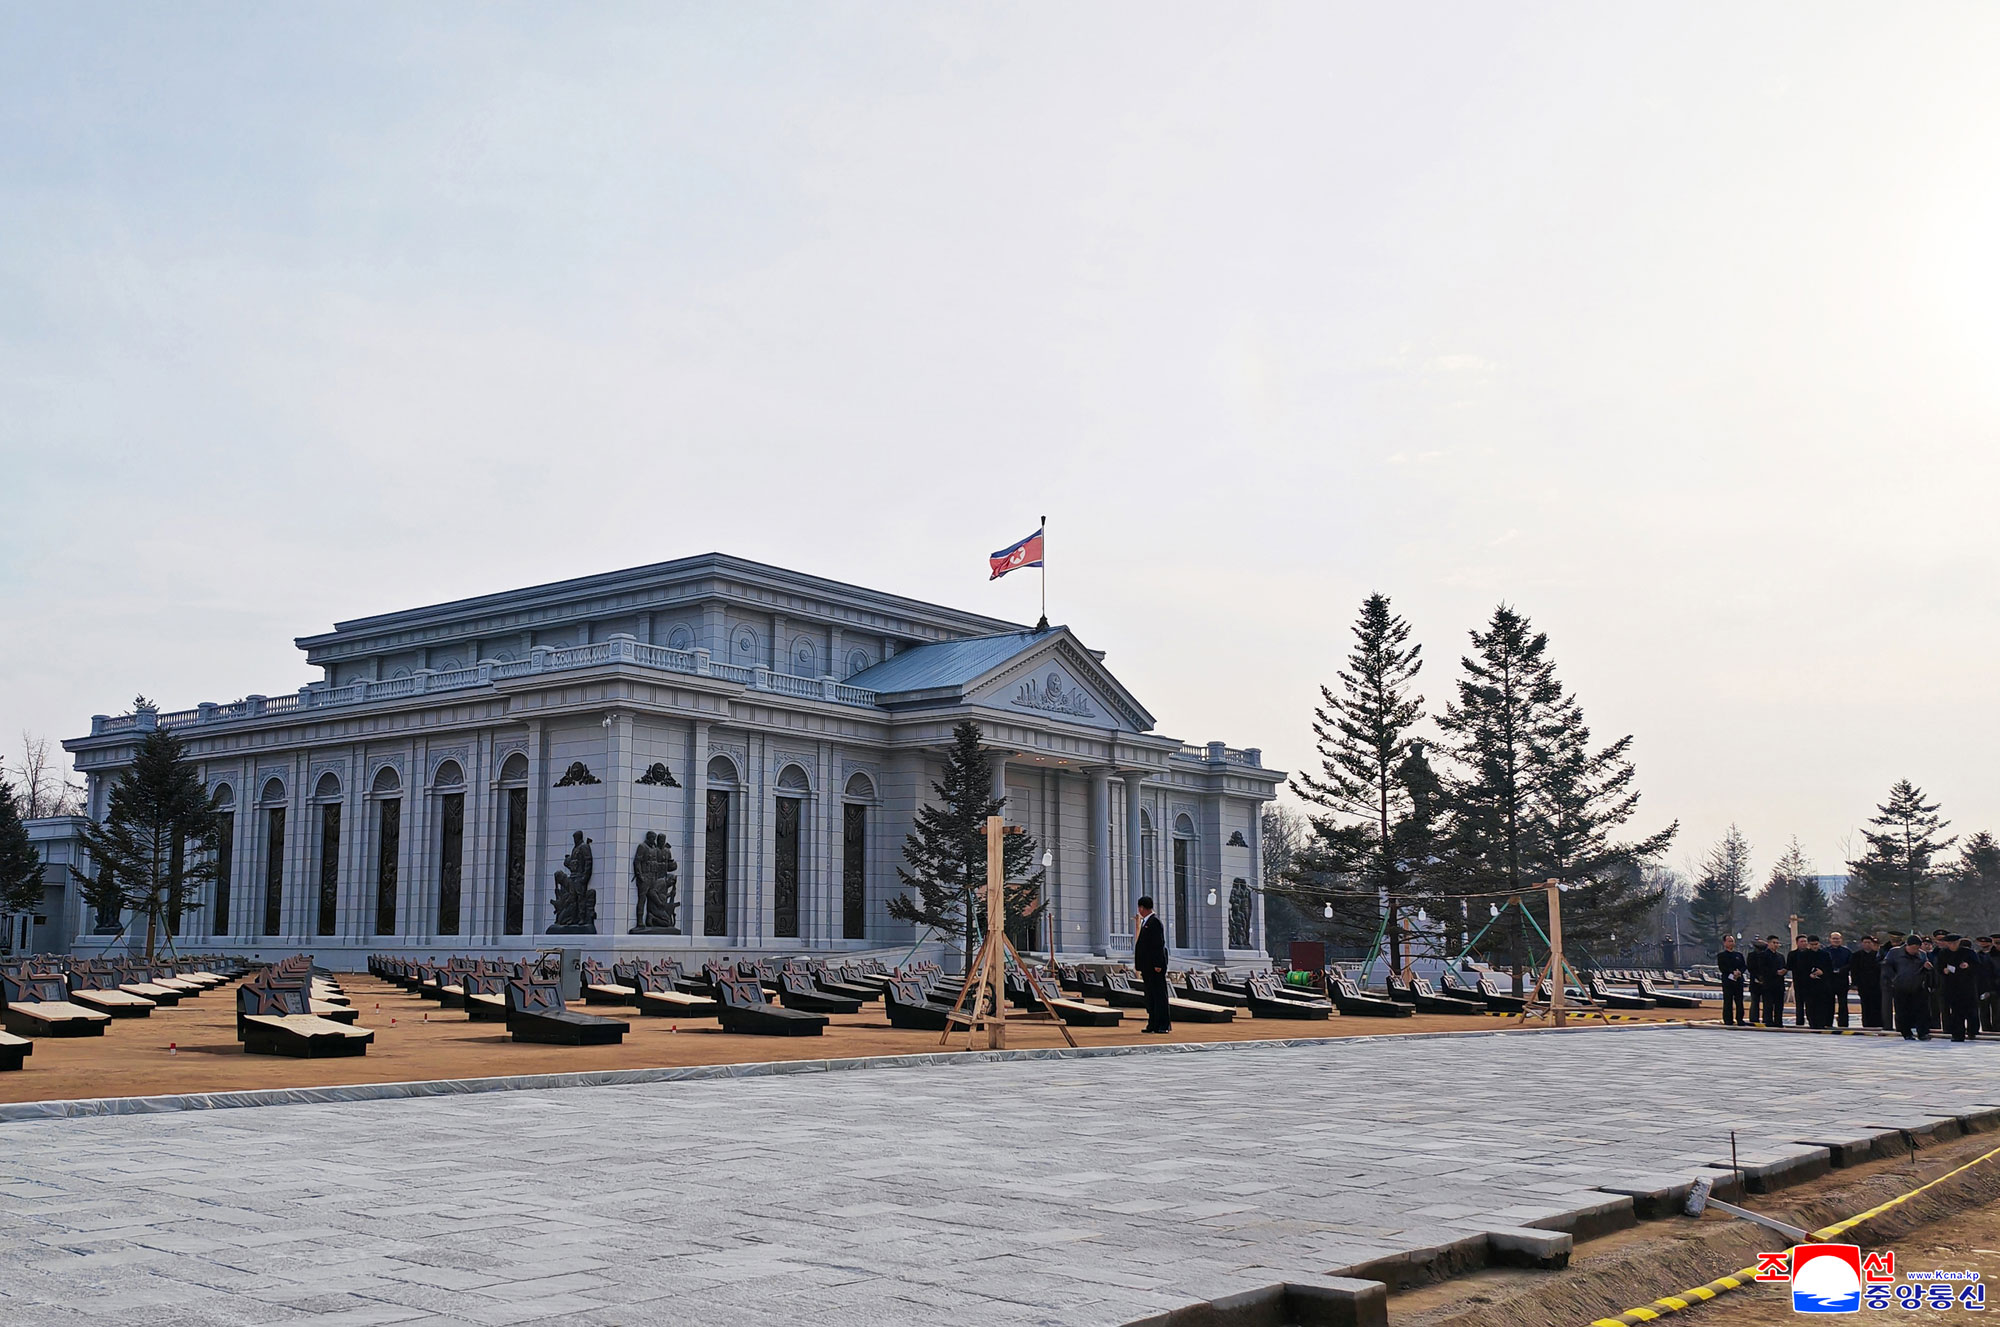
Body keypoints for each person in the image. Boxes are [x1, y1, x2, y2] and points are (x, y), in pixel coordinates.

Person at [1883, 935, 1934, 1041]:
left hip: (1918, 986)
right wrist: (1893, 979)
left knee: (1922, 1011)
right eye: (1913, 948)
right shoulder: (1894, 952)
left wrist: (1927, 968)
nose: (1915, 950)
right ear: (1907, 945)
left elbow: (1925, 970)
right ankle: (1906, 1033)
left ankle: (1923, 1033)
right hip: (1901, 986)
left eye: (1917, 948)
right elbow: (1887, 967)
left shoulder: (1922, 954)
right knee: (1902, 1011)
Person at [1134, 895, 1170, 1034]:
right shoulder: (1146, 922)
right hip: (1147, 967)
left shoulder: (1155, 922)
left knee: (1159, 995)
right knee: (1150, 996)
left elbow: (1158, 944)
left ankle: (1163, 1024)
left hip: (1155, 967)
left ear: (1142, 908)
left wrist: (1158, 964)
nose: (1139, 910)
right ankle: (1153, 1023)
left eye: (1140, 907)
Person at [1940, 935, 1981, 1042]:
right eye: (1950, 944)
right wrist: (1943, 970)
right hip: (1952, 986)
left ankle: (1972, 1031)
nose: (1952, 946)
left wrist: (1968, 966)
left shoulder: (1968, 953)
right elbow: (1939, 966)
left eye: (1954, 943)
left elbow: (1978, 967)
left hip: (1967, 987)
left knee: (1971, 1011)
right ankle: (1957, 1034)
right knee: (1956, 1012)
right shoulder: (1944, 953)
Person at [1850, 935, 1883, 1029]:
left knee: (1877, 1004)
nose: (1867, 944)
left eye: (1869, 942)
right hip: (1863, 984)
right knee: (1865, 1004)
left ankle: (1878, 1023)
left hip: (1876, 984)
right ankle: (1866, 1023)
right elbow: (1854, 970)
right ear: (1862, 944)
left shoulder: (1878, 955)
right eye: (1865, 942)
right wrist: (1855, 983)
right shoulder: (1856, 955)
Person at [1717, 934, 1747, 1026]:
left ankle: (1740, 1019)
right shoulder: (1721, 955)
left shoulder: (1739, 955)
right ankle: (1728, 1019)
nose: (1731, 943)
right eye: (1729, 941)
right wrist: (1732, 972)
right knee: (1728, 1001)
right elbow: (1722, 967)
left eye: (1732, 941)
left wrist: (1739, 972)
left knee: (1739, 1001)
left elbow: (1744, 966)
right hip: (1728, 981)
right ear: (1724, 943)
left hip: (1738, 980)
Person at [1824, 931, 1853, 1028]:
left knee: (1843, 1003)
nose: (1836, 940)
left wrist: (1842, 970)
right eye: (1834, 938)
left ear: (1841, 940)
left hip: (1842, 980)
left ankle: (1843, 1023)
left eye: (1838, 939)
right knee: (1828, 1002)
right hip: (1829, 980)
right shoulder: (1825, 951)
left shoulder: (1847, 952)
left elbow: (1851, 964)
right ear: (1830, 939)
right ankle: (1827, 1022)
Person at [1785, 934, 1814, 1027]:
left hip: (1810, 982)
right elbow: (1788, 966)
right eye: (1802, 941)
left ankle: (1811, 1020)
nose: (1804, 943)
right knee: (1799, 1002)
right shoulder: (1792, 954)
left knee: (1810, 1003)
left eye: (1805, 941)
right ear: (1797, 943)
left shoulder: (1811, 953)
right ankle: (1799, 1021)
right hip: (1798, 981)